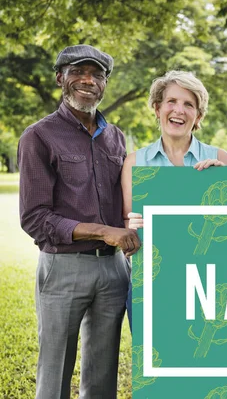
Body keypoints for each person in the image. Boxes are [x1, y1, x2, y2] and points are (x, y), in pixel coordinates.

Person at [18, 44, 140, 399]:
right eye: (78, 71)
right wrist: (104, 231)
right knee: (54, 373)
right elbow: (35, 218)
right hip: (63, 267)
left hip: (114, 270)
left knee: (103, 377)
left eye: (97, 74)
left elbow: (129, 199)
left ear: (105, 84)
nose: (88, 80)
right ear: (61, 78)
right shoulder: (38, 136)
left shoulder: (116, 137)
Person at [121, 70, 227, 329]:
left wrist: (224, 184)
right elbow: (127, 229)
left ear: (199, 116)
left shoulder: (220, 158)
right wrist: (132, 227)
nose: (179, 110)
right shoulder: (135, 163)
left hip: (209, 281)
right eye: (172, 101)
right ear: (157, 107)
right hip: (153, 280)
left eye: (189, 105)